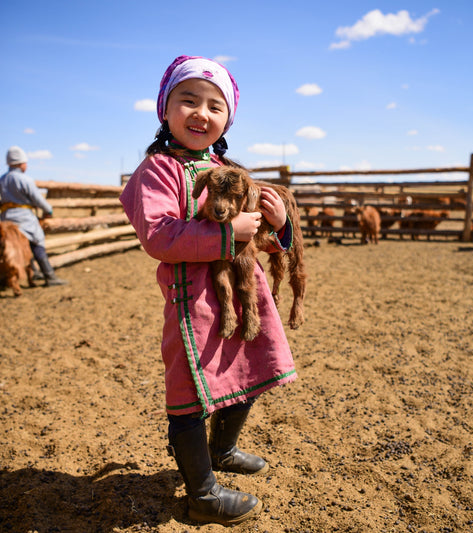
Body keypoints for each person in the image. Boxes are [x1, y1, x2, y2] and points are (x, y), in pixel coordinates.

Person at [120, 55, 297, 526]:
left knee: (249, 367)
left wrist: (277, 226)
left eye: (215, 106)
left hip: (242, 294)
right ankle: (201, 494)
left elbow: (253, 233)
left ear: (227, 120)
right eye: (188, 100)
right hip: (191, 300)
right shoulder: (157, 171)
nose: (201, 112)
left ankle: (223, 449)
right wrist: (228, 231)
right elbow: (159, 236)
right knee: (190, 393)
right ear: (165, 109)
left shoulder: (226, 168)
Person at [0, 146, 67, 286]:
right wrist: (48, 210)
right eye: (25, 162)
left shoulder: (3, 179)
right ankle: (49, 276)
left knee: (18, 246)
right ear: (19, 163)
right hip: (23, 218)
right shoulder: (24, 179)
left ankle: (34, 272)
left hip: (6, 219)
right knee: (37, 241)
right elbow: (37, 198)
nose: (26, 165)